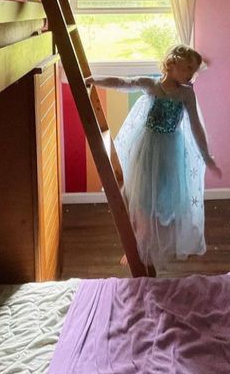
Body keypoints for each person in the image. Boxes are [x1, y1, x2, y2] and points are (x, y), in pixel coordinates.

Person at [87, 44, 221, 271]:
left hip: (170, 151)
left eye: (193, 71)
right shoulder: (152, 86)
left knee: (163, 198)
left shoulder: (186, 93)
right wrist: (94, 80)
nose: (190, 75)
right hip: (148, 148)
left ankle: (151, 242)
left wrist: (206, 155)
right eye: (187, 69)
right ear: (171, 64)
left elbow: (196, 126)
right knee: (142, 198)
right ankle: (140, 242)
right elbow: (123, 83)